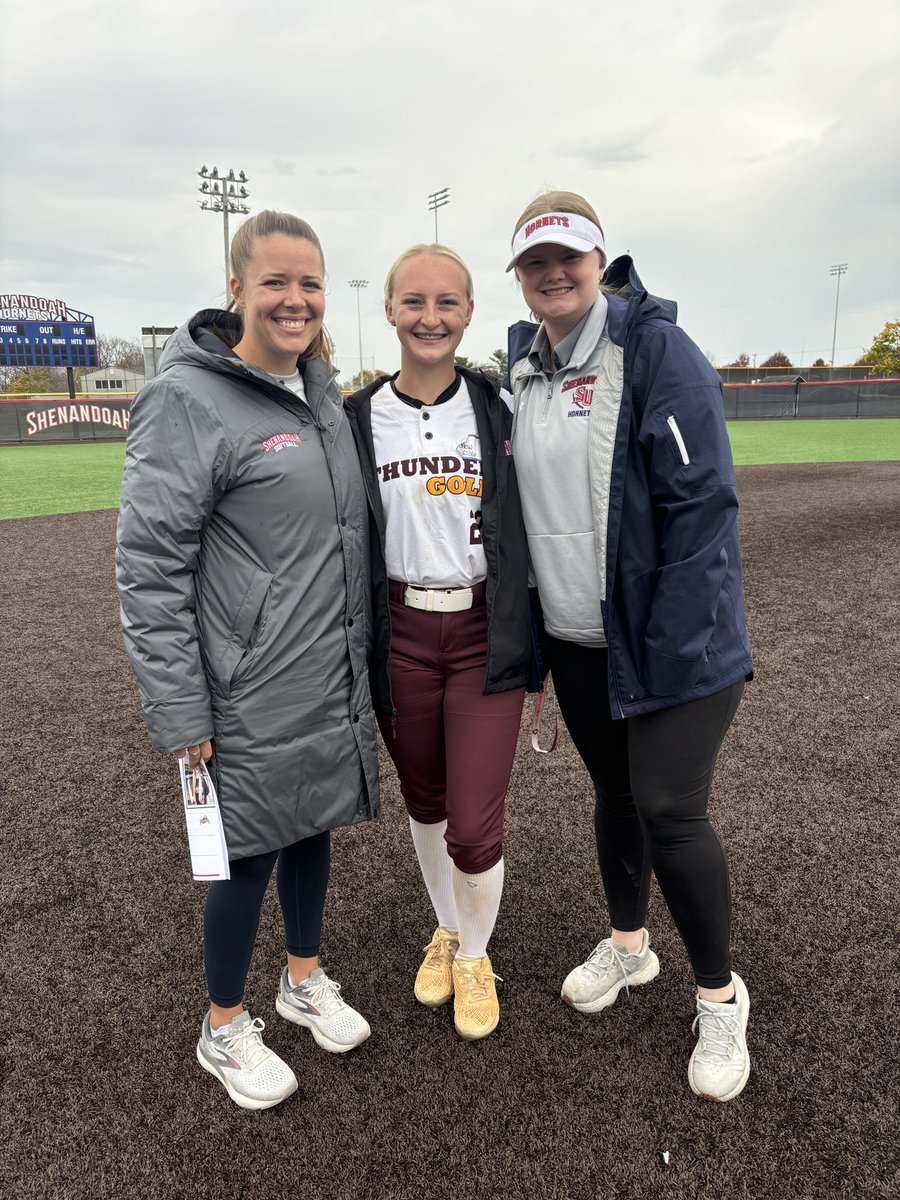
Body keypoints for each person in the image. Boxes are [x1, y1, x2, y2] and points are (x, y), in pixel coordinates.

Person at [116, 210, 379, 1111]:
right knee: (244, 854)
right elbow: (150, 568)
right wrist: (181, 712)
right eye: (275, 282)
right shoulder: (187, 398)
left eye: (309, 282)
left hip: (323, 673)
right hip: (243, 685)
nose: (296, 299)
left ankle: (300, 980)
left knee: (313, 830)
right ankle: (222, 1028)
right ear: (236, 289)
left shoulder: (320, 391)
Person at [505, 191, 755, 1101]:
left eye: (567, 256)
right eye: (535, 263)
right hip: (580, 642)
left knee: (669, 810)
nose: (553, 274)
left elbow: (701, 507)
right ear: (521, 279)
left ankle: (722, 998)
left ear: (598, 258)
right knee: (615, 794)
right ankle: (628, 946)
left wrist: (675, 646)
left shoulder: (654, 350)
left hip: (671, 647)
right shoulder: (523, 369)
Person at [346, 244, 532, 1040]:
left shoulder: (498, 409)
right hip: (400, 630)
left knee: (473, 823)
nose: (431, 318)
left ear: (468, 314)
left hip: (485, 630)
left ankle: (476, 953)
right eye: (414, 302)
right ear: (388, 311)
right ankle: (448, 928)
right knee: (424, 804)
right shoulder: (354, 418)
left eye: (448, 303)